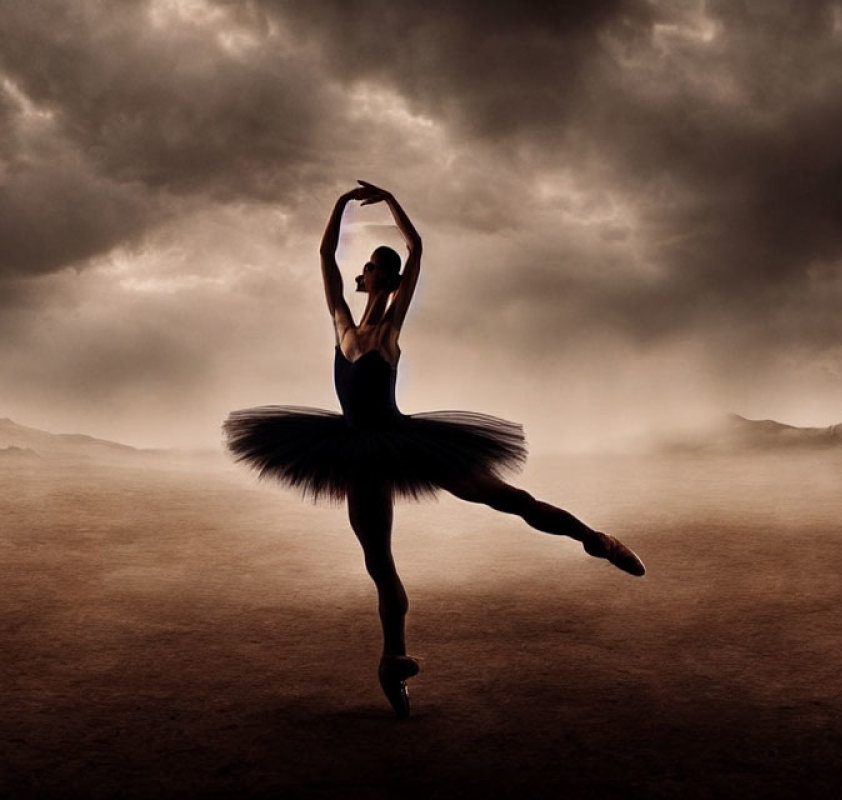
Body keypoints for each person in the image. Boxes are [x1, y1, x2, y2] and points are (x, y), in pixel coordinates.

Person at [224, 180, 644, 718]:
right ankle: (392, 660)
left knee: (510, 499)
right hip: (355, 449)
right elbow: (325, 254)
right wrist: (340, 205)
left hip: (405, 441)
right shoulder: (342, 324)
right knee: (379, 561)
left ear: (384, 277)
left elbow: (417, 250)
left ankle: (598, 541)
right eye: (369, 262)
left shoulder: (391, 328)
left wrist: (391, 200)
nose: (367, 267)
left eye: (376, 262)